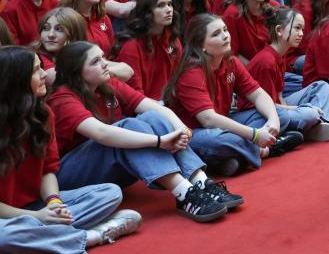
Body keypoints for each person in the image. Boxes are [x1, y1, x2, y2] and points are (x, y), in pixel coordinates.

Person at [48, 41, 234, 222]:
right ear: (76, 72)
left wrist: (182, 130)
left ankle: (200, 181)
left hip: (109, 166)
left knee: (152, 117)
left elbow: (155, 108)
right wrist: (159, 141)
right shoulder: (62, 98)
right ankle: (184, 193)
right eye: (95, 61)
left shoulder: (107, 83)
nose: (105, 64)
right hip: (71, 176)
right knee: (129, 125)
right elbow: (100, 133)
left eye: (103, 57)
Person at [0, 45, 141, 252]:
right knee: (4, 236)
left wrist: (54, 202)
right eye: (36, 70)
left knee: (110, 193)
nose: (44, 74)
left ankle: (42, 236)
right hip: (6, 215)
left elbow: (48, 169)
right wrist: (37, 216)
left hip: (37, 204)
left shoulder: (43, 113)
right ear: (16, 80)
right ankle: (91, 236)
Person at [164, 13, 302, 176]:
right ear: (202, 46)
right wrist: (255, 135)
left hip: (224, 123)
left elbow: (258, 95)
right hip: (194, 133)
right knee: (222, 140)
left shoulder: (231, 62)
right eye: (216, 34)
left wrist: (274, 120)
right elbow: (208, 120)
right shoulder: (191, 72)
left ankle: (232, 159)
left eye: (225, 30)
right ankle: (265, 150)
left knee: (279, 114)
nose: (225, 36)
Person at [233, 8, 329, 142]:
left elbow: (279, 97)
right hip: (258, 113)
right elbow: (269, 106)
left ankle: (321, 122)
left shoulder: (280, 55)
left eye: (302, 29)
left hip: (277, 107)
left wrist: (297, 108)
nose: (301, 34)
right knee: (309, 113)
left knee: (321, 86)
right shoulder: (266, 61)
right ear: (279, 30)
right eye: (297, 28)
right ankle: (311, 124)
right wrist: (300, 108)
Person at [113, 0, 181, 100]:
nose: (169, 10)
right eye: (161, 6)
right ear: (147, 12)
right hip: (143, 106)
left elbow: (178, 80)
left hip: (167, 103)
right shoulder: (132, 46)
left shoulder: (173, 40)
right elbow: (134, 94)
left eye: (170, 4)